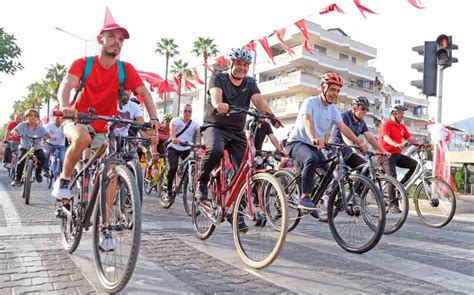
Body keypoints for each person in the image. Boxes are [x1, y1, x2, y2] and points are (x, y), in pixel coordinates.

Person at [53, 15, 159, 251]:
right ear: (100, 39)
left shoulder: (125, 69)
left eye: (120, 39)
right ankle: (64, 180)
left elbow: (144, 93)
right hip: (77, 120)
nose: (116, 42)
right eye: (111, 36)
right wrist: (65, 105)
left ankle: (105, 227)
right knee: (82, 138)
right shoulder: (84, 63)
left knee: (111, 172)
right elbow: (67, 84)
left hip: (104, 127)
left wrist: (153, 118)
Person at [197, 47, 281, 231]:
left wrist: (271, 116)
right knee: (215, 151)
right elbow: (215, 94)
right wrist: (218, 104)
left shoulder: (250, 83)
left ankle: (236, 213)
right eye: (239, 64)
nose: (242, 67)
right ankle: (202, 184)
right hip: (215, 126)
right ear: (231, 63)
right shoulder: (219, 77)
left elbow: (259, 101)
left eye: (245, 65)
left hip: (236, 131)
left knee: (244, 173)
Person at [286, 72, 369, 214]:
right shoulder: (310, 102)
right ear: (323, 88)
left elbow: (344, 129)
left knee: (329, 173)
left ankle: (314, 199)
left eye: (337, 91)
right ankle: (305, 197)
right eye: (332, 90)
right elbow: (307, 120)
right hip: (297, 142)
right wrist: (313, 137)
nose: (335, 93)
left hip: (315, 146)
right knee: (311, 159)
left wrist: (359, 143)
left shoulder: (333, 110)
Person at [379, 104, 422, 212]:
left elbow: (410, 138)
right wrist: (396, 144)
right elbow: (386, 138)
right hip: (386, 155)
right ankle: (392, 204)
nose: (403, 115)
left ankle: (399, 187)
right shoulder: (387, 124)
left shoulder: (401, 127)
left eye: (403, 113)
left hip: (397, 155)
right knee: (392, 176)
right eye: (401, 113)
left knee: (415, 165)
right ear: (394, 113)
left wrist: (419, 143)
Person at [329, 96, 389, 168]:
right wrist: (354, 148)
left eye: (367, 109)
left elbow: (370, 138)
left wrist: (383, 151)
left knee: (365, 168)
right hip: (335, 151)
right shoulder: (344, 117)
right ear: (354, 108)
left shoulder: (362, 122)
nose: (365, 112)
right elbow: (345, 135)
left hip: (348, 153)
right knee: (340, 174)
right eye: (363, 109)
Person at [10, 109, 56, 186]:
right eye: (30, 115)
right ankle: (17, 179)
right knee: (21, 160)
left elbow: (47, 134)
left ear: (37, 118)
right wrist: (15, 133)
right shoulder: (22, 125)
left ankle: (38, 173)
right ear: (26, 117)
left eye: (35, 116)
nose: (33, 117)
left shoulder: (40, 128)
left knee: (42, 157)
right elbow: (14, 130)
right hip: (24, 147)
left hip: (37, 148)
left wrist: (51, 137)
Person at [166, 104, 200, 201]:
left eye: (189, 111)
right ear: (181, 112)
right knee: (173, 168)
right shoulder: (175, 121)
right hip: (174, 147)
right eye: (185, 111)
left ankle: (190, 180)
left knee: (195, 162)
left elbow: (198, 134)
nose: (187, 113)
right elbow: (172, 130)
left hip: (186, 148)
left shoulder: (195, 124)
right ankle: (168, 191)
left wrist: (197, 144)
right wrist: (173, 138)